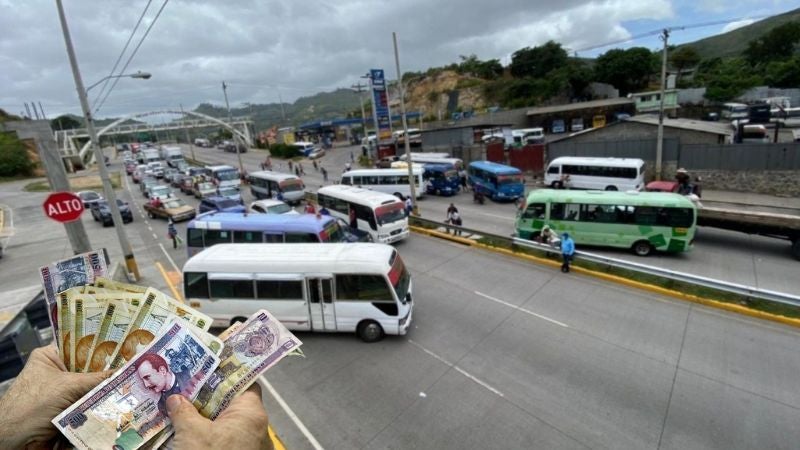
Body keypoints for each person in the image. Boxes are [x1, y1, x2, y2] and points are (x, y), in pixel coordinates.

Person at [0, 345, 274, 450]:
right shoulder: (156, 403)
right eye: (139, 378)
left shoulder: (188, 377)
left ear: (164, 369)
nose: (143, 385)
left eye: (147, 378)